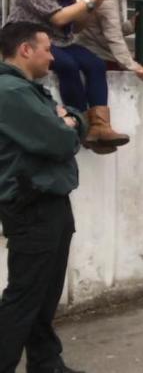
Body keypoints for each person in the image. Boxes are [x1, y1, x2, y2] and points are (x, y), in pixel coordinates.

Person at [0, 22, 88, 373]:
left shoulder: (28, 89)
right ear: (25, 49)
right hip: (31, 204)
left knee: (45, 293)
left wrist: (70, 122)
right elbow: (60, 141)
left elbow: (75, 122)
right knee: (25, 295)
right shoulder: (10, 92)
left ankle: (46, 363)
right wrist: (66, 125)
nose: (53, 56)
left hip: (50, 202)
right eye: (47, 48)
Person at [7, 0, 129, 153]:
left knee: (95, 64)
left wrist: (92, 6)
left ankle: (100, 126)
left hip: (59, 40)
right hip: (28, 37)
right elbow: (58, 18)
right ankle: (82, 124)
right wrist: (88, 1)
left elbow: (76, 25)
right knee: (67, 65)